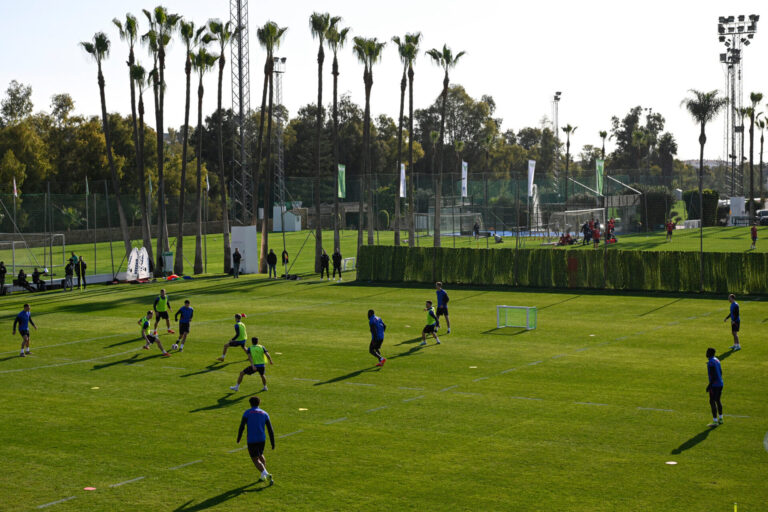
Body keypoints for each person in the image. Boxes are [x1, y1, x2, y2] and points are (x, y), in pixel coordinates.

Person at [236, 396, 275, 484]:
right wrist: (273, 443)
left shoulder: (247, 413)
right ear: (259, 403)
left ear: (250, 403)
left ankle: (266, 474)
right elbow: (270, 429)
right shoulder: (264, 413)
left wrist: (239, 438)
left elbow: (242, 426)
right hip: (262, 439)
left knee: (255, 459)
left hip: (252, 439)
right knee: (260, 455)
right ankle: (263, 476)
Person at [705, 347, 724, 427]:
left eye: (707, 352)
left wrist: (709, 386)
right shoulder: (717, 360)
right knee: (718, 400)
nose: (706, 353)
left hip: (714, 385)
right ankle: (721, 418)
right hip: (720, 383)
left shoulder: (711, 362)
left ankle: (715, 421)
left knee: (712, 401)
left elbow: (713, 375)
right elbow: (721, 372)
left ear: (710, 353)